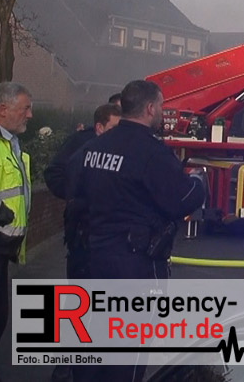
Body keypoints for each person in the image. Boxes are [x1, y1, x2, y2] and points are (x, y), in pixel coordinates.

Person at [76, 80, 205, 280]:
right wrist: (198, 182)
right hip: (136, 262)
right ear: (150, 108)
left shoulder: (94, 146)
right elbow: (181, 200)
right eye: (161, 105)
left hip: (96, 255)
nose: (162, 111)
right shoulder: (152, 152)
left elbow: (74, 186)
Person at [44, 103, 121, 281]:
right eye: (113, 128)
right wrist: (76, 195)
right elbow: (53, 174)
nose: (118, 134)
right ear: (99, 127)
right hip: (82, 232)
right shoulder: (79, 143)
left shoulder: (122, 147)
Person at [0, 82, 31, 380]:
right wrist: (1, 213)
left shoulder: (11, 142)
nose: (30, 115)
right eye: (25, 108)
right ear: (2, 109)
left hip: (4, 248)